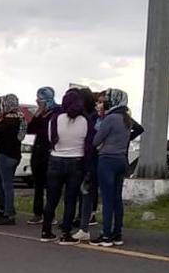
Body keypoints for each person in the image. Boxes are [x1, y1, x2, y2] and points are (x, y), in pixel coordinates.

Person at [39, 89, 95, 244]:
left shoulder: (56, 118)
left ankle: (46, 230)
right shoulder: (85, 120)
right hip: (76, 161)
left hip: (56, 159)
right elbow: (89, 143)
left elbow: (51, 139)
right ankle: (66, 233)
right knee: (70, 199)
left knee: (51, 198)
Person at [90, 89, 141, 247]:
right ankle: (117, 233)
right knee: (117, 198)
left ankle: (106, 235)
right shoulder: (126, 118)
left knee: (107, 198)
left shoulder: (110, 118)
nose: (104, 101)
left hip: (107, 159)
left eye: (106, 98)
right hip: (121, 159)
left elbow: (96, 140)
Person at [27, 87, 62, 225]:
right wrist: (37, 113)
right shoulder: (41, 113)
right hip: (38, 150)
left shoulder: (57, 112)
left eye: (40, 98)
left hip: (50, 151)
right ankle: (37, 212)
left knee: (51, 185)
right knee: (38, 184)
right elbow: (31, 129)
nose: (38, 101)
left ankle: (50, 214)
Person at [72, 88, 101, 241]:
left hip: (90, 157)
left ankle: (84, 223)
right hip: (81, 156)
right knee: (80, 191)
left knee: (87, 191)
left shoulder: (94, 117)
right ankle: (80, 219)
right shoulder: (82, 117)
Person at [0, 94, 24, 225]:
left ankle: (8, 213)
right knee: (8, 184)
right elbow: (21, 137)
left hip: (5, 154)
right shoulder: (21, 120)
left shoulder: (5, 122)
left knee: (6, 185)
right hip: (15, 154)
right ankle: (7, 209)